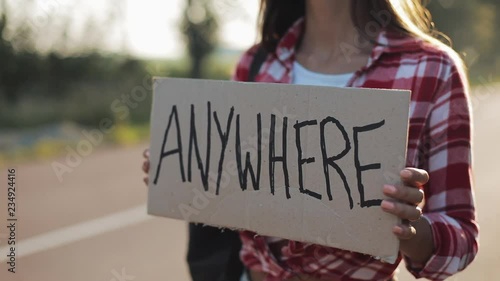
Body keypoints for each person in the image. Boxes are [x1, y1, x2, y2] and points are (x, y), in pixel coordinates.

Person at [142, 0, 478, 280]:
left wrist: (409, 228)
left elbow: (461, 238)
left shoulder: (434, 69)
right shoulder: (256, 63)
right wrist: (182, 169)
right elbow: (227, 194)